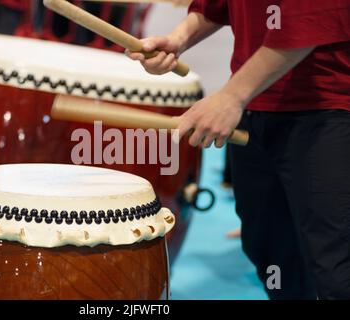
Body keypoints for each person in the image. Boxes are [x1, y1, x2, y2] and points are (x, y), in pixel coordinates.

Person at [127, 0, 350, 299]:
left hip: (329, 110)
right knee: (271, 252)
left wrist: (231, 97)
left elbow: (305, 23)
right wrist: (178, 39)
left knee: (336, 265)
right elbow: (218, 5)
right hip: (257, 106)